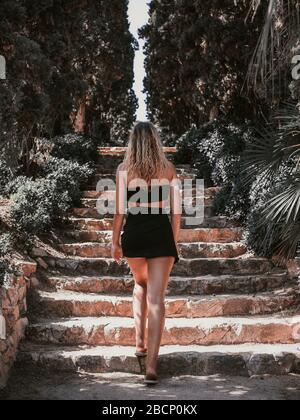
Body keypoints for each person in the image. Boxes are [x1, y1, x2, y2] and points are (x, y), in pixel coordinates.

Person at [111, 121, 182, 385]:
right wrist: (172, 243)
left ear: (133, 142)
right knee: (157, 299)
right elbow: (176, 213)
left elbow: (120, 212)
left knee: (140, 283)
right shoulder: (168, 169)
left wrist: (114, 242)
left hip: (135, 235)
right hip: (160, 234)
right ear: (155, 140)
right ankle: (151, 367)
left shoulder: (123, 170)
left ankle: (139, 343)